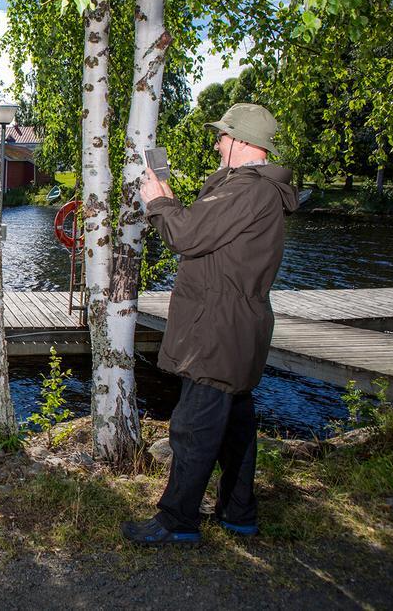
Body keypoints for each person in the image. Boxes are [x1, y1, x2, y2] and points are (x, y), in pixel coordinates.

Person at [123, 103, 299, 547]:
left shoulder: (248, 191)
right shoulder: (246, 189)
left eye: (222, 135)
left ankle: (177, 521)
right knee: (236, 423)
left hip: (217, 329)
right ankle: (238, 512)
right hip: (239, 325)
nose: (217, 142)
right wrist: (173, 199)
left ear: (241, 141)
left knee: (193, 425)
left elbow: (184, 235)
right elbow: (204, 230)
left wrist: (157, 200)